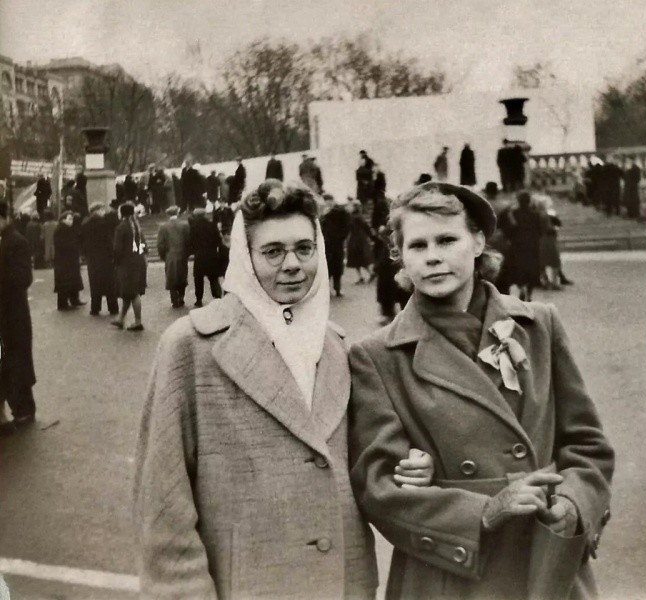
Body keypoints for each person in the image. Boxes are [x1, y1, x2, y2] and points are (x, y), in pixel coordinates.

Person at [133, 180, 432, 599]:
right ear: (245, 257)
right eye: (273, 252)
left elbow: (367, 463)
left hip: (343, 586)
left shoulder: (337, 345)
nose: (292, 264)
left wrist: (410, 468)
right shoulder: (191, 345)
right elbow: (162, 500)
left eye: (304, 249)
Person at [348, 181, 614, 600]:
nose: (433, 256)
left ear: (477, 243)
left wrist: (573, 504)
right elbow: (379, 487)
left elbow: (587, 445)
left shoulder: (539, 325)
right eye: (417, 245)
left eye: (447, 240)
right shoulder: (377, 355)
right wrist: (484, 511)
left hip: (544, 561)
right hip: (450, 575)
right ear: (400, 256)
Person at [0, 200, 36, 436]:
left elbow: (24, 277)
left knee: (17, 363)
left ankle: (24, 409)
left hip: (13, 316)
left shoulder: (16, 241)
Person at [112, 202, 147, 331]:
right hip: (138, 262)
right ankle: (121, 319)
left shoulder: (121, 227)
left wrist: (115, 262)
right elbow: (144, 245)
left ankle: (138, 321)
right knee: (129, 292)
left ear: (122, 213)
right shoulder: (136, 226)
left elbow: (117, 249)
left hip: (126, 264)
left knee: (132, 293)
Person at [81, 203, 119, 316]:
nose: (104, 212)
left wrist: (85, 253)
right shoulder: (104, 223)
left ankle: (95, 308)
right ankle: (113, 307)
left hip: (92, 258)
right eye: (102, 209)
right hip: (105, 257)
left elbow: (82, 241)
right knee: (110, 283)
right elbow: (108, 240)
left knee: (94, 283)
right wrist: (112, 254)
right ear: (97, 210)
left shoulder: (85, 223)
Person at [505, 191, 541, 301]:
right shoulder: (535, 214)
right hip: (532, 245)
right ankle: (529, 293)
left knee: (518, 269)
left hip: (518, 245)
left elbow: (510, 230)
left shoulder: (514, 214)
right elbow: (540, 231)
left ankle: (521, 289)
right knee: (531, 269)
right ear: (529, 201)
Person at [157, 206, 191, 308]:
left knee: (171, 277)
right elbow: (188, 241)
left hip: (170, 255)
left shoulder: (163, 227)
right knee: (182, 275)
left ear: (168, 214)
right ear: (178, 213)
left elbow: (160, 244)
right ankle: (181, 297)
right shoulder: (184, 225)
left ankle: (174, 300)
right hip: (182, 254)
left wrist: (164, 256)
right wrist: (186, 253)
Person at [188, 208, 223, 307]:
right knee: (213, 277)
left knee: (198, 278)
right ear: (204, 215)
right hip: (212, 254)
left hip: (200, 255)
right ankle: (217, 297)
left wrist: (194, 250)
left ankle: (199, 299)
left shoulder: (193, 227)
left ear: (195, 216)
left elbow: (191, 241)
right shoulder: (212, 225)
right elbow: (218, 240)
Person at [53, 211, 86, 311]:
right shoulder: (60, 230)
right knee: (65, 281)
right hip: (64, 260)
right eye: (69, 219)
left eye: (72, 219)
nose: (71, 221)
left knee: (73, 279)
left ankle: (74, 299)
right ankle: (62, 303)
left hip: (71, 259)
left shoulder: (70, 229)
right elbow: (61, 244)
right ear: (63, 220)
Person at [321, 194, 350, 297]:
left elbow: (346, 225)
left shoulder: (340, 211)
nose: (328, 203)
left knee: (337, 268)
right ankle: (327, 289)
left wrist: (341, 237)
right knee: (327, 268)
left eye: (329, 201)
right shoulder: (323, 213)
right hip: (327, 244)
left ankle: (337, 289)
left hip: (336, 244)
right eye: (326, 201)